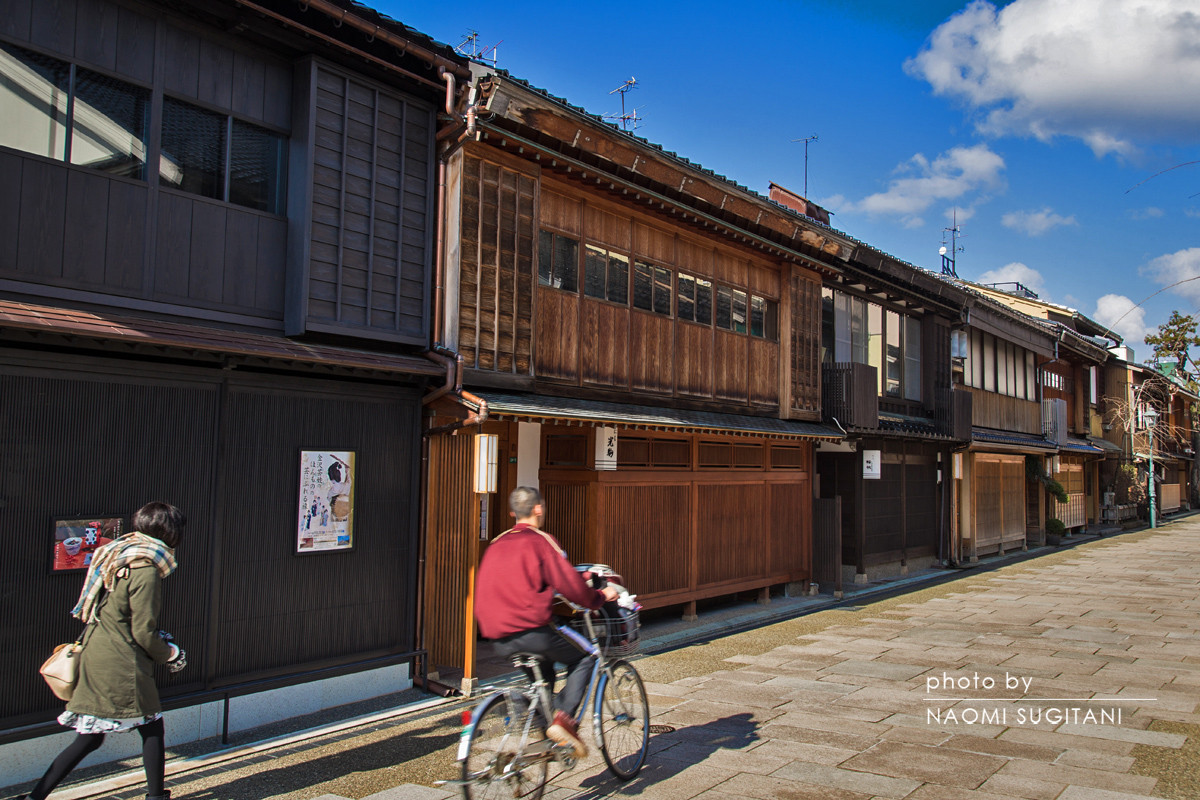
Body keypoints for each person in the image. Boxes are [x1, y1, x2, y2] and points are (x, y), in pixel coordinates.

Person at [22, 502, 188, 800]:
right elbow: (143, 631)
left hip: (96, 653)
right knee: (151, 726)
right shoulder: (145, 569)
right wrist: (171, 654)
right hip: (122, 663)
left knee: (90, 738)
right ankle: (155, 797)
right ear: (170, 532)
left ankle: (36, 797)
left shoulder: (117, 553)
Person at [475, 487, 618, 757]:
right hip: (532, 629)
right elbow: (570, 586)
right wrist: (599, 597)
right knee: (587, 656)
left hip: (496, 634)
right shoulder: (541, 541)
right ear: (538, 509)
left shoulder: (496, 543)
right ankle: (564, 722)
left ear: (512, 513)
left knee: (543, 679)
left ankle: (546, 744)